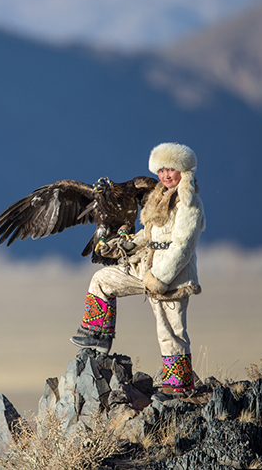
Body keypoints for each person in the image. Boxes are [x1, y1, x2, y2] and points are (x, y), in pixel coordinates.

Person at [70, 142, 205, 395]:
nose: (165, 175)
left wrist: (160, 278)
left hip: (172, 277)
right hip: (145, 266)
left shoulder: (190, 203)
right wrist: (124, 246)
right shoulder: (159, 197)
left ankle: (178, 388)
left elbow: (183, 247)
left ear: (184, 171)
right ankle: (97, 337)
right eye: (161, 170)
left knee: (170, 331)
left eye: (172, 169)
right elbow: (148, 234)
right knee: (103, 280)